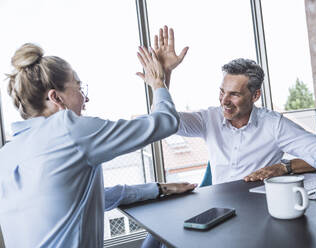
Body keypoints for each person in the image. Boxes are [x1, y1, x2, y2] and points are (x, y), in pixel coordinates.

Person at [0, 43, 197, 248]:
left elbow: (88, 198)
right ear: (56, 97)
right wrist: (159, 82)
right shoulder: (69, 130)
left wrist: (158, 188)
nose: (86, 98)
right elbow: (166, 122)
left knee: (159, 235)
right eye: (78, 87)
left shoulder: (7, 155)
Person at [153, 26, 316, 184]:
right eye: (222, 92)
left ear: (255, 95)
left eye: (234, 94)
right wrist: (163, 76)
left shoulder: (274, 124)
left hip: (258, 205)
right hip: (219, 205)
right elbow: (163, 122)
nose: (224, 100)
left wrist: (284, 167)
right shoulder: (208, 118)